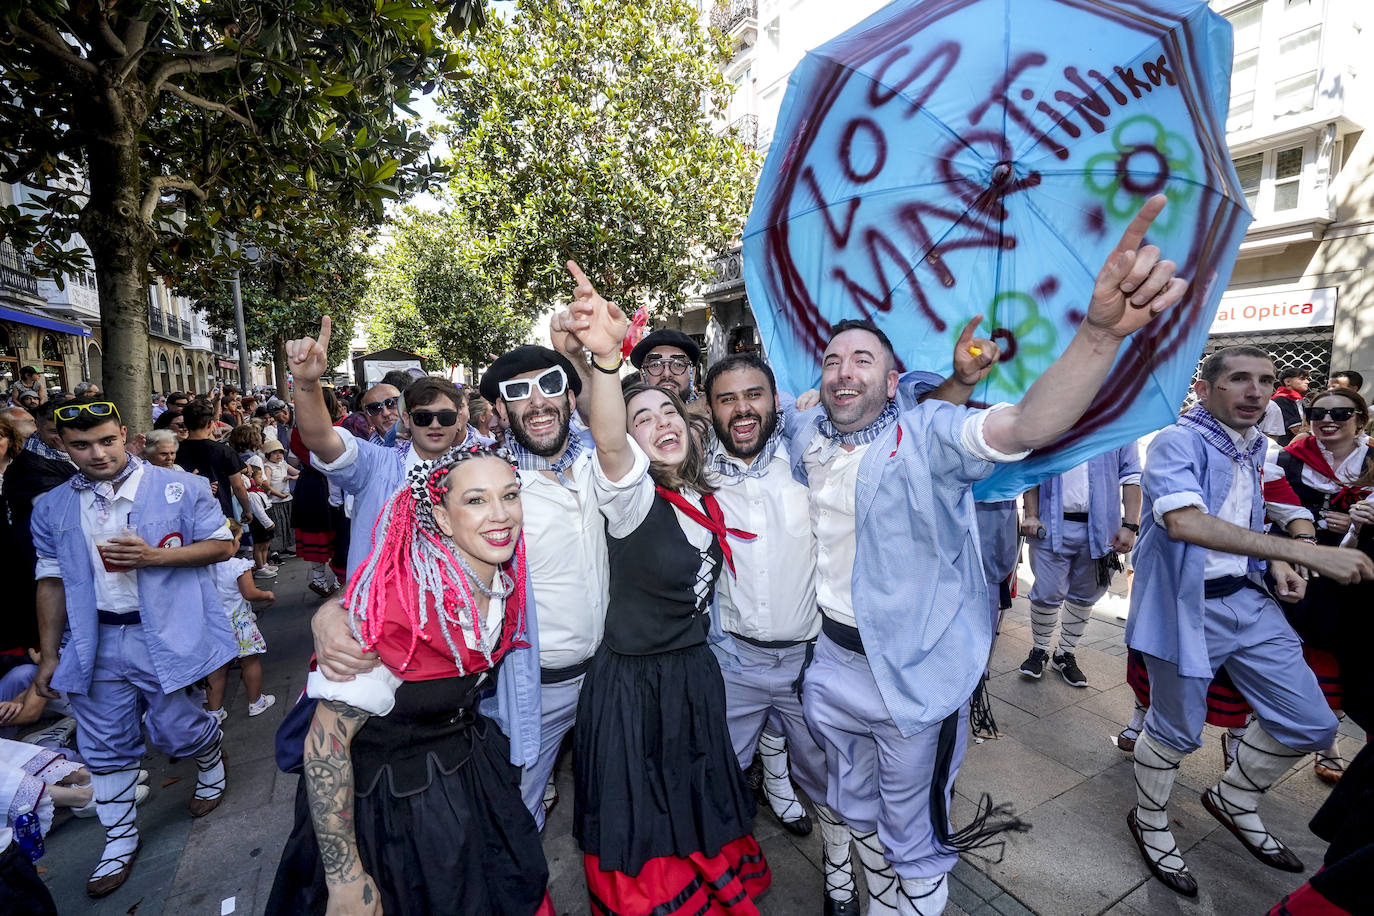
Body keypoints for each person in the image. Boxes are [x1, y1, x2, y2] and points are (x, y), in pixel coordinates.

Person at [774, 196, 1187, 914]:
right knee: (854, 805)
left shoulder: (930, 432)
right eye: (832, 359)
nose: (843, 372)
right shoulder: (806, 430)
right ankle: (872, 893)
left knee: (916, 836)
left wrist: (1096, 334)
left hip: (910, 680)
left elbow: (1026, 423)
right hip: (829, 666)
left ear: (892, 376)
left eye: (861, 359)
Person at [555, 262, 771, 915]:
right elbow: (609, 441)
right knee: (644, 818)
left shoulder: (703, 494)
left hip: (692, 680)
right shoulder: (630, 494)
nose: (658, 421)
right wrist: (603, 360)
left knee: (693, 805)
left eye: (667, 411)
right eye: (640, 416)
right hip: (632, 690)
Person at [1123, 346, 1374, 898]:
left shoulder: (1257, 445)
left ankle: (1234, 797)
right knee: (1175, 731)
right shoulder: (1177, 441)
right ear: (1206, 389)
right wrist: (1310, 556)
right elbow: (1186, 523)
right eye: (1239, 379)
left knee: (1312, 722)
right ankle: (1149, 819)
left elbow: (1281, 499)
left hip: (1248, 599)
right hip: (1183, 607)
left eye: (1265, 380)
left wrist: (1293, 546)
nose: (1255, 391)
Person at [267, 445, 552, 916]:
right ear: (441, 518)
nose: (500, 515)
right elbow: (325, 746)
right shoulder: (398, 611)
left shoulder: (499, 578)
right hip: (387, 803)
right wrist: (345, 879)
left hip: (463, 769)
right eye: (476, 500)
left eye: (510, 495)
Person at [31, 398, 238, 897]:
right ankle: (118, 840)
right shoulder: (51, 505)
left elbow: (224, 546)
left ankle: (208, 755)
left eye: (106, 440)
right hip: (94, 639)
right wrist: (51, 652)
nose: (97, 453)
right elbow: (51, 580)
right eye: (81, 445)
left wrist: (155, 557)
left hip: (163, 632)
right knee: (102, 746)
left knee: (176, 728)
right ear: (62, 445)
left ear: (126, 435)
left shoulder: (183, 486)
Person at [703, 352, 863, 915]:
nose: (742, 409)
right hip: (731, 664)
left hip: (810, 664)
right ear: (710, 408)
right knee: (714, 777)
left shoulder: (812, 457)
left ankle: (839, 872)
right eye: (727, 398)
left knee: (831, 779)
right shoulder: (695, 472)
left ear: (775, 400)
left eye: (754, 395)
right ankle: (721, 878)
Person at [291, 319, 482, 576]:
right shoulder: (379, 464)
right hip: (384, 607)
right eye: (423, 417)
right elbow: (321, 440)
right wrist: (306, 384)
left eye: (445, 417)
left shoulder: (485, 467)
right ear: (407, 419)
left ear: (459, 418)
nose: (435, 425)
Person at [1262, 386, 1374, 776]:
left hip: (1356, 573)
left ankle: (1329, 739)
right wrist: (1317, 524)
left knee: (1343, 653)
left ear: (1360, 420)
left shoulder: (1373, 461)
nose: (1328, 420)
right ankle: (1278, 737)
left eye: (1341, 413)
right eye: (1318, 412)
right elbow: (1268, 510)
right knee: (1295, 651)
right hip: (1298, 565)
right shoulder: (1289, 459)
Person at [1016, 446, 1141, 687]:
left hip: (1102, 529)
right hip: (1051, 525)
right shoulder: (1055, 416)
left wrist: (1131, 525)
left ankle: (1065, 653)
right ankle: (1040, 649)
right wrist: (1030, 514)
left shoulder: (1118, 418)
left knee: (1086, 594)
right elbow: (1031, 467)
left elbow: (1132, 475)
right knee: (1047, 592)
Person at [204, 520, 275, 722]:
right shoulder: (238, 566)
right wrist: (267, 595)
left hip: (214, 625)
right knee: (250, 662)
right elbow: (249, 593)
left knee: (217, 670)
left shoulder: (202, 568)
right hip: (239, 624)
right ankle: (256, 702)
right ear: (231, 543)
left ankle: (215, 712)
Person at [177, 399, 251, 521]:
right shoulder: (225, 451)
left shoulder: (175, 451)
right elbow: (238, 486)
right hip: (220, 511)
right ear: (210, 424)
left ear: (185, 425)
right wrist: (247, 509)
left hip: (187, 513)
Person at [628, 328, 704, 411]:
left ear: (692, 374)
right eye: (655, 365)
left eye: (678, 364)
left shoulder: (712, 417)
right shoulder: (628, 419)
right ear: (643, 376)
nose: (667, 373)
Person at [263, 436, 297, 559]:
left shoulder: (284, 464)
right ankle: (274, 551)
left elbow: (299, 473)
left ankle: (284, 547)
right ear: (268, 454)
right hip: (275, 501)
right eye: (274, 453)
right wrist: (279, 495)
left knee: (286, 524)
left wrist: (292, 478)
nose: (278, 455)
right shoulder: (268, 467)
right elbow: (266, 485)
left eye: (280, 453)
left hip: (286, 499)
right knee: (276, 526)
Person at [1270, 367, 1309, 445]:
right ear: (1287, 382)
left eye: (1307, 379)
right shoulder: (1281, 400)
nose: (1307, 382)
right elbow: (1297, 430)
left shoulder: (1301, 401)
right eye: (1302, 379)